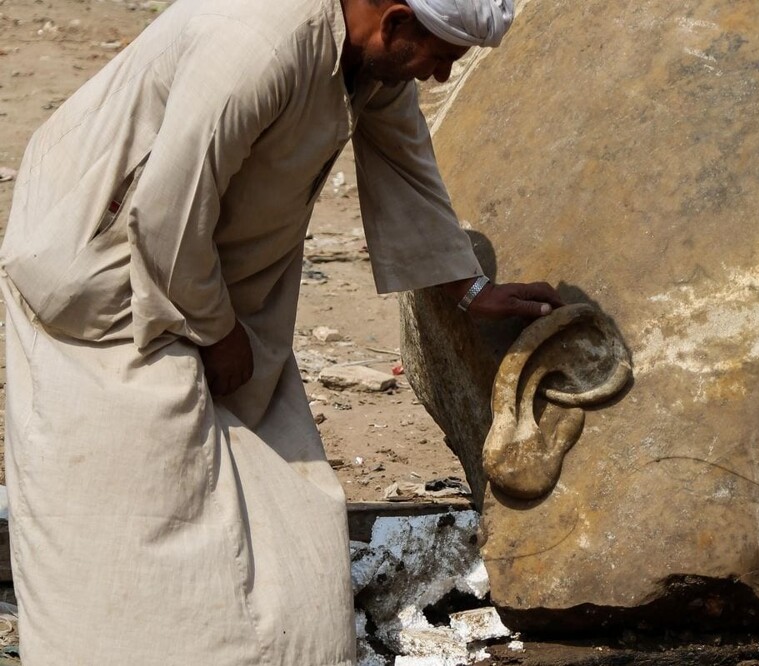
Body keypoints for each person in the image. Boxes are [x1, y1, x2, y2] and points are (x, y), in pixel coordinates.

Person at [0, 0, 562, 662]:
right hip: (102, 269)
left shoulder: (371, 58)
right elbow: (164, 214)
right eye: (440, 58)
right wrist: (216, 333)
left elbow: (404, 163)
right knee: (138, 507)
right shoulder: (255, 48)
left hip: (208, 281)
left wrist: (468, 289)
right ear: (396, 21)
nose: (438, 76)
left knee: (279, 519)